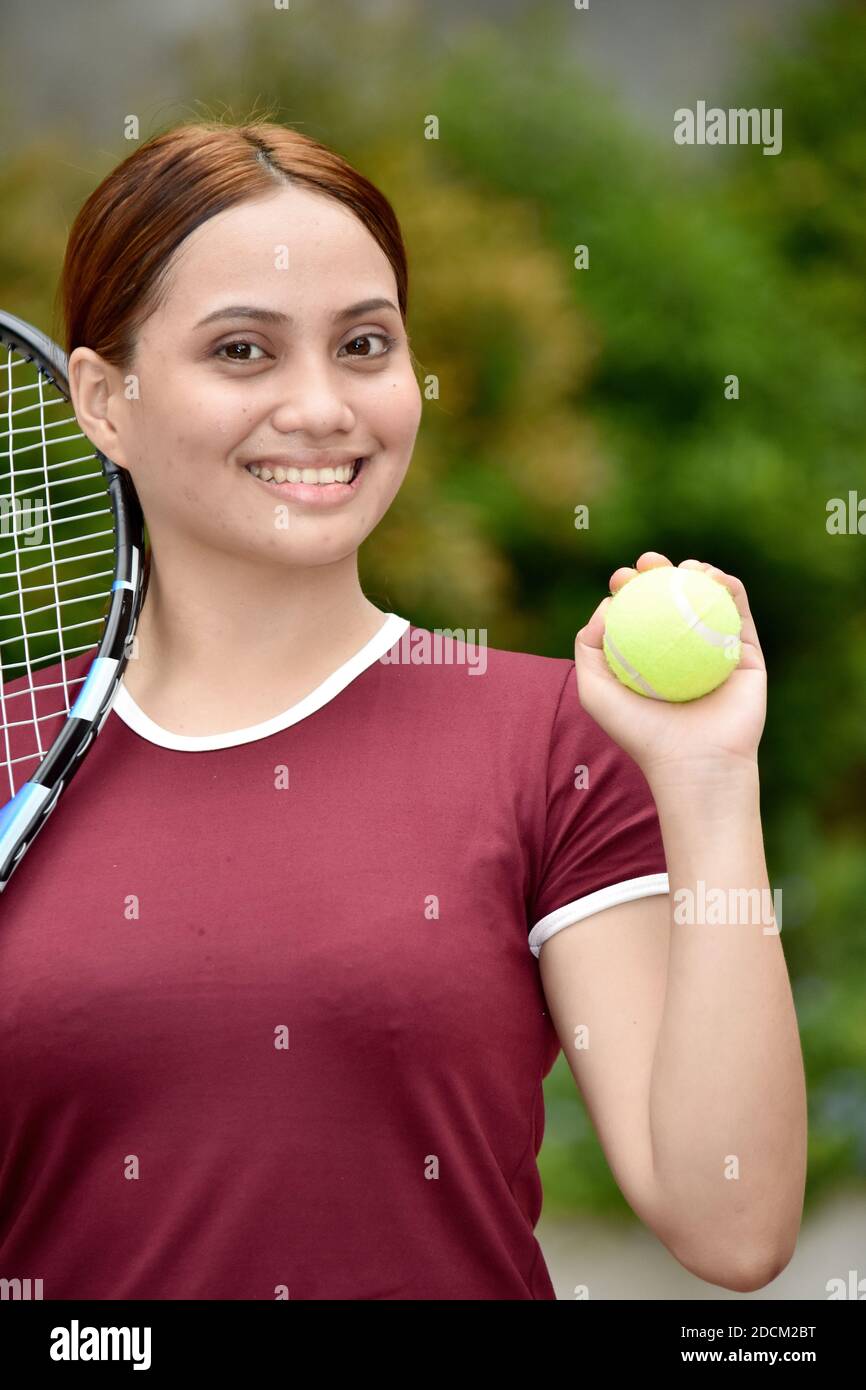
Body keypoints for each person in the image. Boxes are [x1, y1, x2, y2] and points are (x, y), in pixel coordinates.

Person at [0, 119, 804, 1300]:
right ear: (101, 400)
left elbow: (730, 1223)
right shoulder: (13, 748)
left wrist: (708, 779)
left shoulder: (553, 737)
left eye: (364, 345)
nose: (323, 406)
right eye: (241, 350)